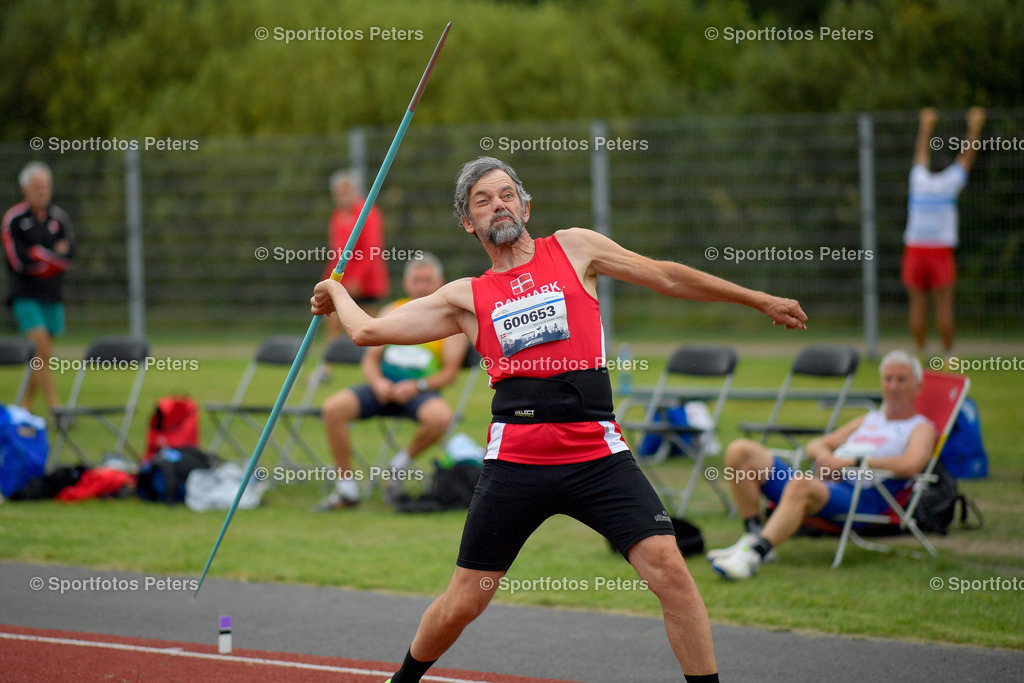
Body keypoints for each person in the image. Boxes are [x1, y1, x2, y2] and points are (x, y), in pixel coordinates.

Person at [311, 156, 808, 682]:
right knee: (464, 602)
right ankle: (402, 681)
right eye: (482, 200)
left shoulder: (575, 248)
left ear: (526, 205)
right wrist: (337, 291)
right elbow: (367, 332)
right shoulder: (465, 296)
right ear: (468, 222)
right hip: (516, 463)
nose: (497, 204)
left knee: (671, 572)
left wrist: (757, 299)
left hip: (597, 454)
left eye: (506, 194)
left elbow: (665, 276)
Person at [708, 350, 936, 581]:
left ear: (917, 386)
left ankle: (753, 556)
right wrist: (826, 458)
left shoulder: (920, 427)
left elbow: (912, 464)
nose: (893, 386)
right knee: (740, 450)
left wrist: (852, 462)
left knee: (802, 484)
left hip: (863, 498)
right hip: (825, 483)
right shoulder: (869, 419)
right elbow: (816, 444)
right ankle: (753, 535)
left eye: (901, 379)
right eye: (888, 379)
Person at [316, 253, 466, 510]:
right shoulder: (392, 310)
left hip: (420, 392)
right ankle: (346, 486)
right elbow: (370, 360)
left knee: (441, 417)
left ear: (440, 282)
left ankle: (399, 465)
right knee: (333, 408)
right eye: (416, 280)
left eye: (427, 280)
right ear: (407, 284)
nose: (422, 286)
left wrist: (416, 387)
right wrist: (377, 384)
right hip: (382, 389)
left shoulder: (452, 319)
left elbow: (449, 374)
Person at [902, 107, 986, 356]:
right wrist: (974, 126)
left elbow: (920, 154)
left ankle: (921, 352)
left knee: (917, 307)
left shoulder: (917, 180)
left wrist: (926, 125)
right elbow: (967, 158)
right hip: (940, 251)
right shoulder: (950, 184)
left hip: (915, 249)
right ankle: (949, 355)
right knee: (944, 307)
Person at [2, 161, 76, 413]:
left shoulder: (59, 219)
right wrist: (52, 256)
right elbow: (20, 261)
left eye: (45, 186)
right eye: (37, 186)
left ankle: (24, 406)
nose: (42, 191)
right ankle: (57, 409)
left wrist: (41, 255)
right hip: (25, 294)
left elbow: (69, 258)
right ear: (25, 189)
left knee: (41, 356)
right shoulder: (14, 219)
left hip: (52, 294)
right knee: (40, 347)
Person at [322, 169, 389, 334]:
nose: (343, 195)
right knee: (330, 316)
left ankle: (368, 358)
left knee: (367, 326)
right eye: (340, 192)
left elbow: (372, 249)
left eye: (347, 191)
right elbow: (336, 251)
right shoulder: (337, 216)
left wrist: (357, 279)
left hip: (366, 280)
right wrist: (328, 278)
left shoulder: (368, 213)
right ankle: (330, 358)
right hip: (342, 278)